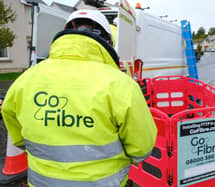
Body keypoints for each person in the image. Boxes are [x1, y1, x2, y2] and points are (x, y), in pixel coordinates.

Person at [1, 9, 157, 187]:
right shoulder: (121, 85)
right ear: (107, 41)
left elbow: (17, 133)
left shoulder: (25, 80)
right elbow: (142, 148)